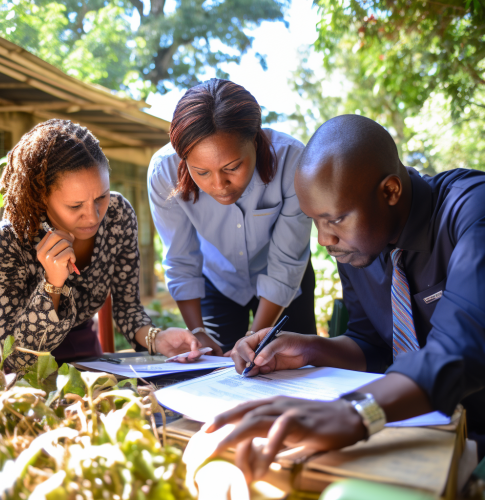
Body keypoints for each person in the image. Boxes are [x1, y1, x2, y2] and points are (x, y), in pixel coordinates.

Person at [205, 114, 485, 481]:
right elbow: (373, 344)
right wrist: (310, 349)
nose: (324, 239)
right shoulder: (360, 246)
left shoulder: (472, 212)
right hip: (416, 434)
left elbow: (462, 348)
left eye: (334, 219)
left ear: (389, 192)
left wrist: (355, 413)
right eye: (315, 222)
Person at [0, 119, 202, 373]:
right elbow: (19, 359)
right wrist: (52, 284)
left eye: (101, 196)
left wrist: (157, 338)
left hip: (84, 353)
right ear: (42, 196)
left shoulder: (117, 215)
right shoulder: (7, 241)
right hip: (12, 365)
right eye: (75, 206)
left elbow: (128, 309)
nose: (93, 216)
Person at [148, 79, 315, 354]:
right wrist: (197, 332)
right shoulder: (163, 172)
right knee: (216, 371)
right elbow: (180, 257)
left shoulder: (292, 162)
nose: (219, 184)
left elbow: (285, 262)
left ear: (256, 141)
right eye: (201, 172)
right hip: (218, 281)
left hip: (286, 283)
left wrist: (252, 338)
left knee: (294, 368)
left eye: (232, 167)